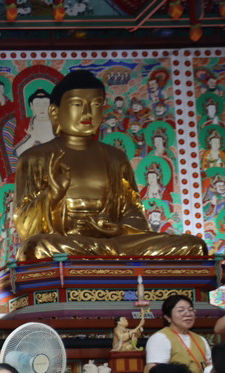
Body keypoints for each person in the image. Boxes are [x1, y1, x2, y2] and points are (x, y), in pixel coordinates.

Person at [13, 70, 207, 259]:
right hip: (68, 243)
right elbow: (25, 227)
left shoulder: (115, 157)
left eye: (96, 104)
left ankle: (108, 255)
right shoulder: (34, 158)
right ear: (54, 112)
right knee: (36, 248)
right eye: (78, 104)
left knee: (194, 246)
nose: (87, 113)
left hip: (115, 244)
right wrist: (53, 194)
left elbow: (135, 214)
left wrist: (119, 228)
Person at [144, 294, 211, 373]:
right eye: (181, 310)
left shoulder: (200, 339)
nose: (188, 314)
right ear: (168, 317)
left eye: (191, 310)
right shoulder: (160, 338)